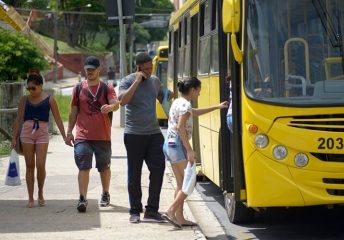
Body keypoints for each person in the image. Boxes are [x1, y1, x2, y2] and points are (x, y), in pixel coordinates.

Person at [162, 77, 229, 228]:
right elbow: (181, 128)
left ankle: (179, 218)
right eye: (198, 91)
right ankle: (171, 210)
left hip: (169, 144)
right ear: (193, 90)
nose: (199, 94)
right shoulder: (185, 105)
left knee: (181, 184)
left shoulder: (178, 102)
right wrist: (190, 150)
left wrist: (217, 107)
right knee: (189, 183)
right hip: (178, 145)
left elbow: (195, 113)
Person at [65, 56, 119, 213]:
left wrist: (110, 107)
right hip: (83, 136)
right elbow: (73, 111)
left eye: (92, 70)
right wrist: (69, 132)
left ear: (99, 69)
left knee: (104, 167)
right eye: (87, 69)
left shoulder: (106, 87)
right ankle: (82, 198)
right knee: (83, 165)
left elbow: (115, 104)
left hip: (102, 136)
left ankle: (105, 192)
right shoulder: (78, 88)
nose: (89, 72)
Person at [118, 52, 167, 223]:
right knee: (134, 173)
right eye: (145, 69)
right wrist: (137, 81)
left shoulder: (155, 81)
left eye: (150, 68)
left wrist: (175, 95)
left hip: (154, 134)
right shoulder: (127, 81)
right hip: (134, 135)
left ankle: (152, 210)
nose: (148, 72)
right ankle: (134, 210)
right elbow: (123, 101)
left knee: (159, 169)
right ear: (138, 68)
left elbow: (164, 98)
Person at [11, 73, 67, 208]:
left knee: (40, 165)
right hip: (27, 131)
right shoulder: (24, 100)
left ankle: (40, 192)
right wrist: (14, 138)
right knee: (30, 165)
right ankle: (30, 197)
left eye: (33, 88)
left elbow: (58, 119)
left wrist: (65, 136)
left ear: (40, 86)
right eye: (28, 88)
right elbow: (18, 119)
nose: (31, 91)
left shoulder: (50, 99)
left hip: (42, 132)